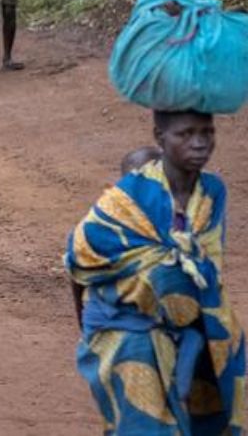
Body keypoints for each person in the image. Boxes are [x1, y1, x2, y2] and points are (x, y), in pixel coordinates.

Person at [65, 110, 245, 434]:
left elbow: (206, 272)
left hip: (192, 331)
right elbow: (78, 264)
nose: (199, 143)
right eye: (185, 134)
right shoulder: (118, 210)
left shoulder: (209, 197)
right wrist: (88, 329)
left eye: (207, 132)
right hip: (129, 334)